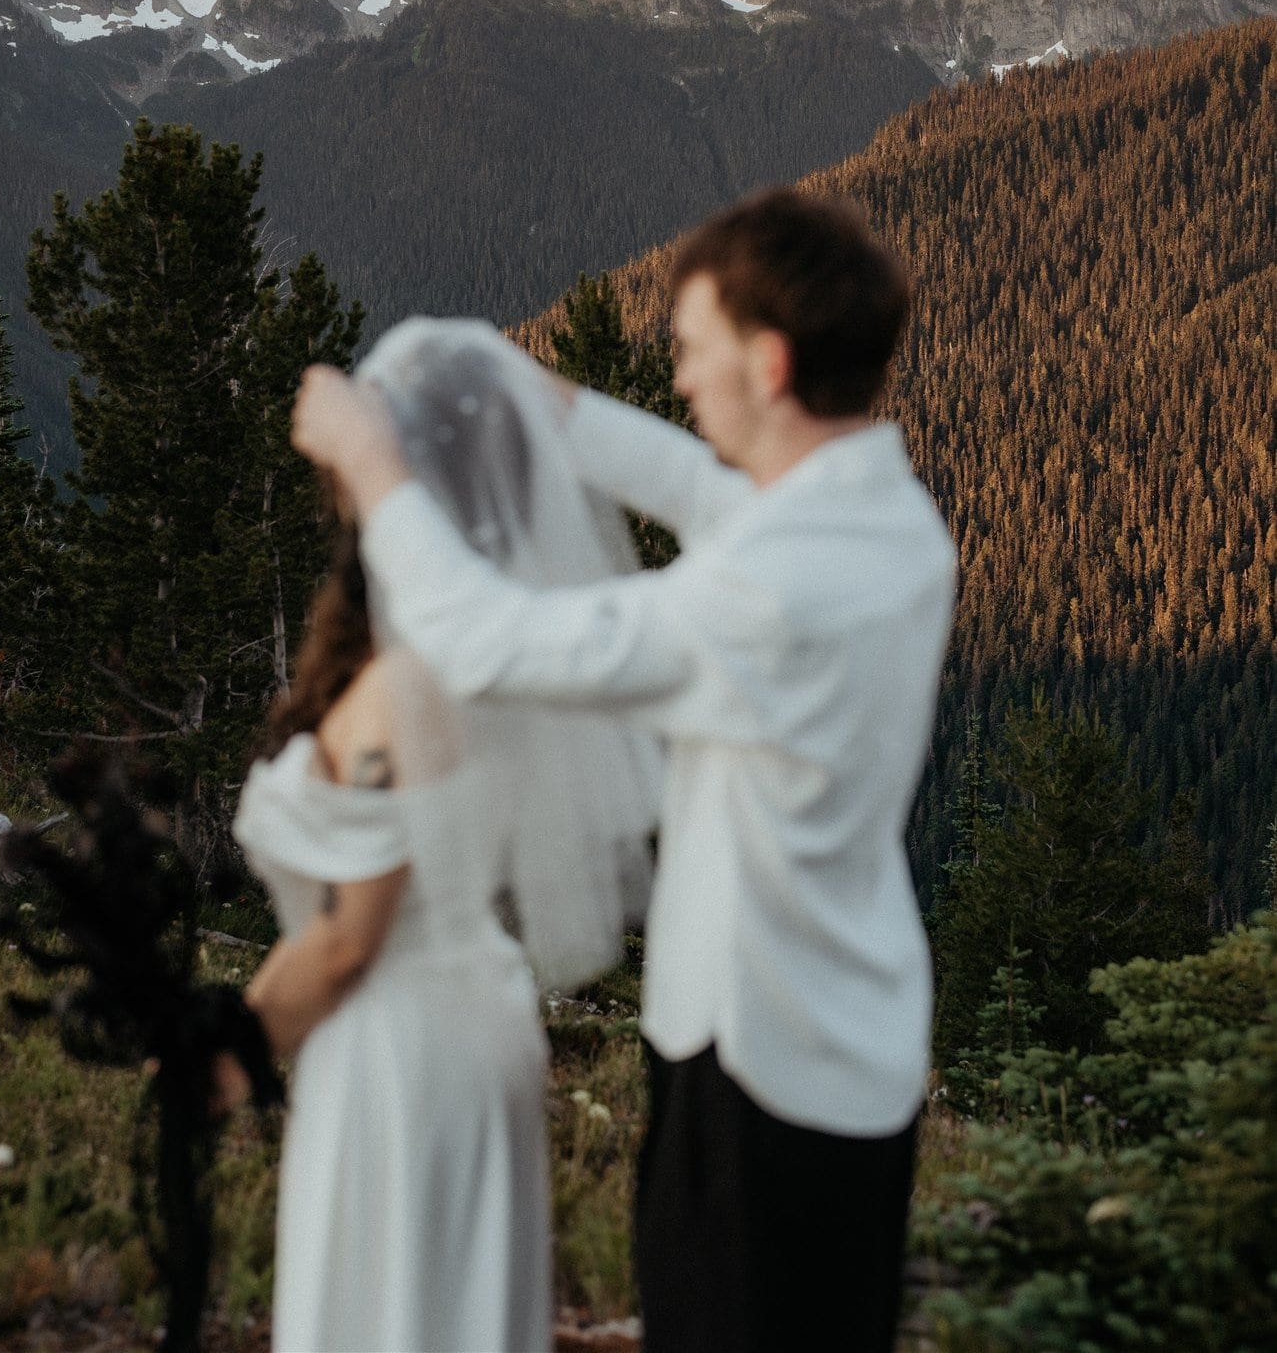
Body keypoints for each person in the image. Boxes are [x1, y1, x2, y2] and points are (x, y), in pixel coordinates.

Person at [292, 189, 958, 1353]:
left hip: (757, 1070)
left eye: (695, 352)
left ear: (772, 359)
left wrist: (375, 461)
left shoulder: (767, 594)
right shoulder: (886, 517)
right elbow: (720, 496)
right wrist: (551, 406)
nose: (684, 381)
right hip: (852, 1035)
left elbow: (486, 639)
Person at [227, 320, 661, 1353]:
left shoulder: (405, 682)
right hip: (476, 1023)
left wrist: (223, 1048)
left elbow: (344, 940)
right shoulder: (488, 642)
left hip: (398, 1045)